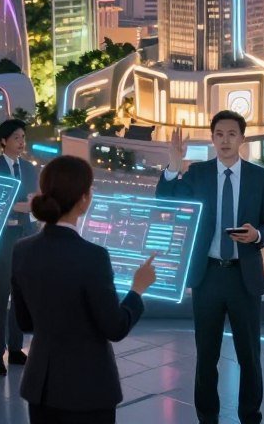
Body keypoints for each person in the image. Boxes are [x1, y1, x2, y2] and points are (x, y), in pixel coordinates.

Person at [11, 154, 157, 424]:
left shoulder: (22, 250)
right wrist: (137, 290)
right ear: (84, 199)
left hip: (41, 387)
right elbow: (115, 327)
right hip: (88, 390)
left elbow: (24, 322)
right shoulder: (93, 257)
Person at [156, 111, 264, 424]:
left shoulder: (259, 177)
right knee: (206, 356)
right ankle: (207, 417)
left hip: (244, 276)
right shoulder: (197, 173)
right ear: (213, 138)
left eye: (231, 134)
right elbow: (165, 199)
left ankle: (250, 417)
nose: (225, 140)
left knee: (249, 357)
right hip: (208, 275)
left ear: (242, 138)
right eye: (219, 134)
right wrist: (174, 165)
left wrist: (257, 235)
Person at [0, 117, 39, 376]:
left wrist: (31, 209)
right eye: (16, 137)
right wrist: (16, 208)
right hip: (3, 240)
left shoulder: (29, 169)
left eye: (23, 137)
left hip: (26, 237)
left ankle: (16, 348)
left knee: (20, 296)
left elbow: (34, 199)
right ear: (3, 141)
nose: (21, 142)